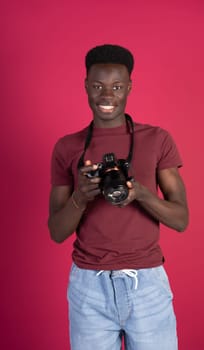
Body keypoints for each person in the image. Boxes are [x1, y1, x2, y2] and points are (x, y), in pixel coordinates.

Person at [48, 44, 189, 350]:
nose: (107, 96)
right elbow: (57, 232)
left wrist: (140, 194)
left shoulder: (157, 139)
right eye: (98, 86)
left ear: (129, 87)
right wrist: (81, 197)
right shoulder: (67, 147)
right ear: (86, 86)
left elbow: (181, 220)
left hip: (147, 284)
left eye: (116, 87)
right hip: (89, 286)